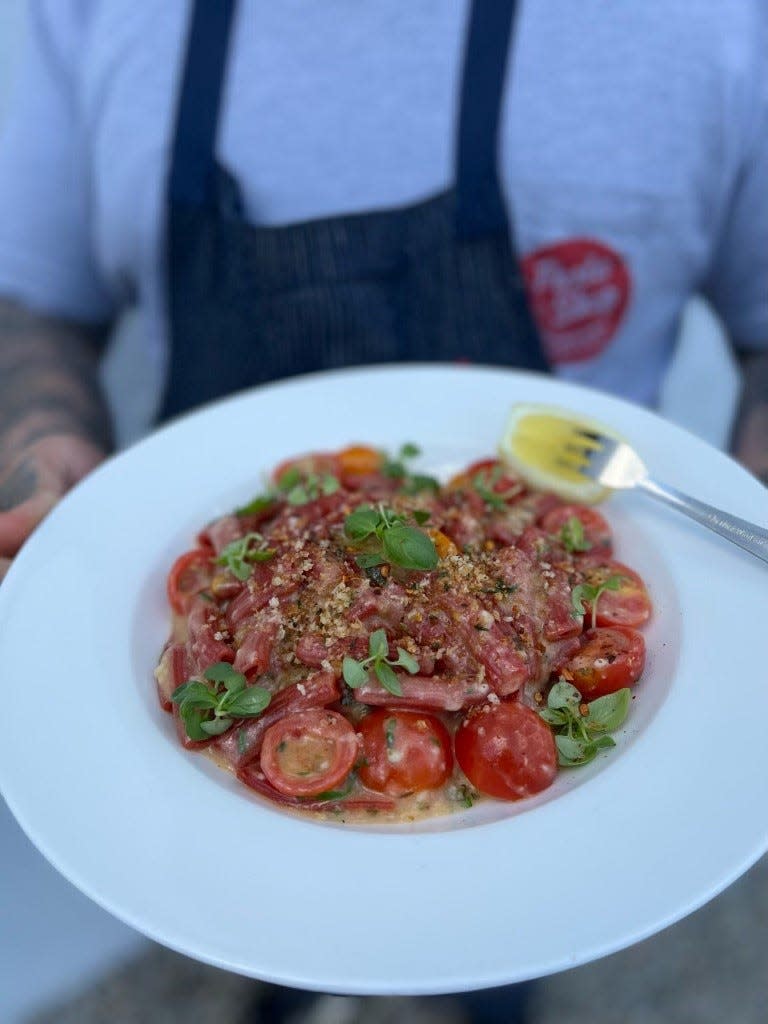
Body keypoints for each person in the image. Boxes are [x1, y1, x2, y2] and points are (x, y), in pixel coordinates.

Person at [0, 2, 766, 1021]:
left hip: (546, 608)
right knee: (255, 912)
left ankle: (493, 983)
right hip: (239, 730)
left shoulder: (711, 24)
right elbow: (30, 297)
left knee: (511, 939)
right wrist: (33, 450)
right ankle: (285, 973)